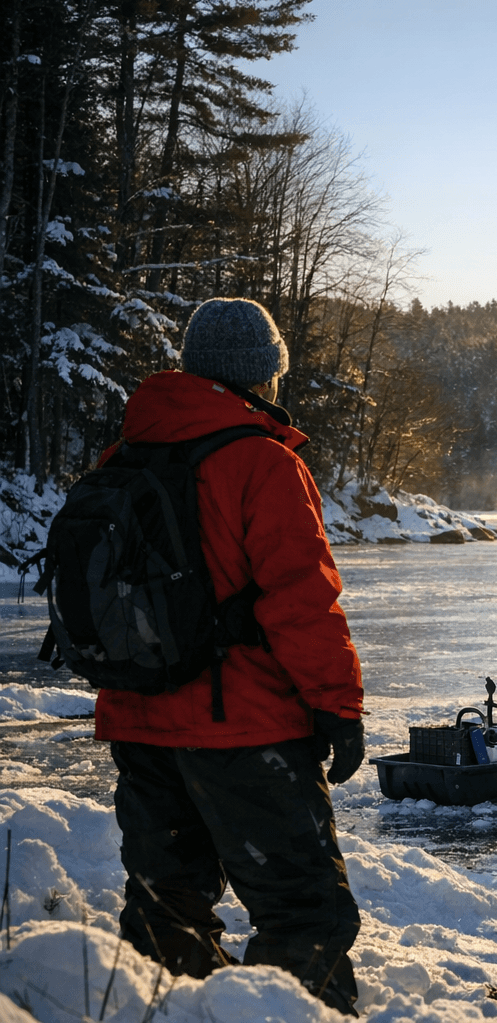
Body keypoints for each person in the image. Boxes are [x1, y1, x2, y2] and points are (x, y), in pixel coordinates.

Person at [95, 298, 366, 1016]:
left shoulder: (125, 453)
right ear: (259, 374)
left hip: (138, 718)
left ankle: (168, 1010)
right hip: (243, 727)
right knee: (308, 914)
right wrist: (338, 707)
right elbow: (300, 600)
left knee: (165, 904)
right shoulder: (260, 461)